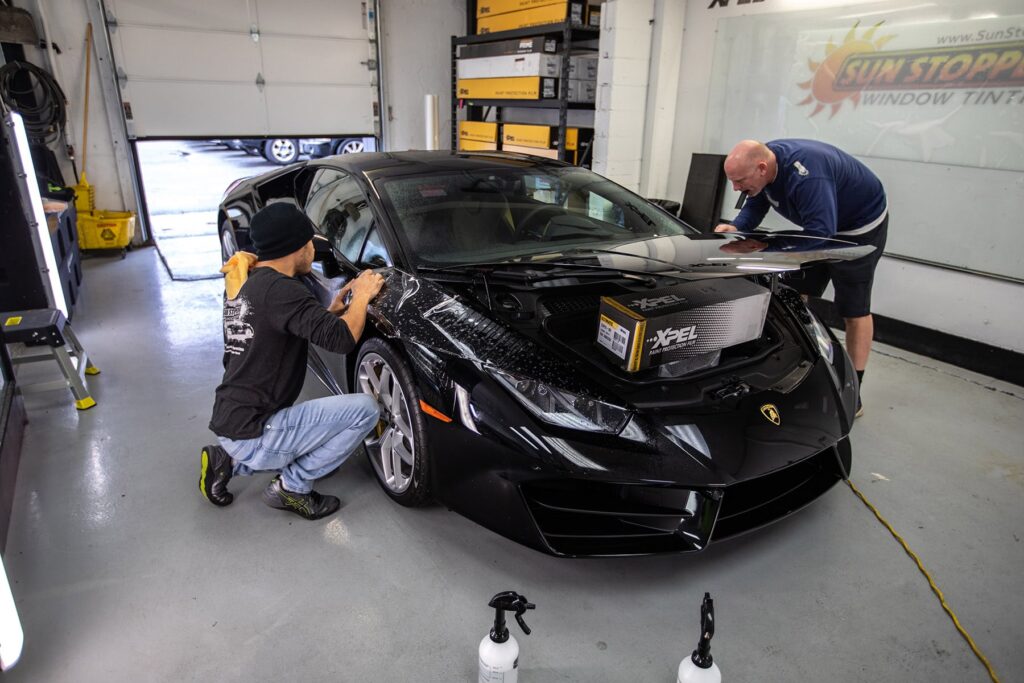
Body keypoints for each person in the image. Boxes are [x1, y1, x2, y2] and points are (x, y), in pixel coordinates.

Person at [199, 202, 385, 519]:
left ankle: (228, 459)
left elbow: (278, 330)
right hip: (256, 429)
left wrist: (330, 313)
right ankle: (291, 487)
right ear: (297, 248)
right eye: (310, 242)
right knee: (365, 411)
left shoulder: (252, 282)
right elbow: (342, 340)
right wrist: (363, 296)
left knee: (313, 429)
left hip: (234, 419)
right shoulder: (285, 291)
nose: (313, 249)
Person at [714, 139, 888, 417]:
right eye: (732, 182)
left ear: (761, 168)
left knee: (853, 310)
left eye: (740, 181)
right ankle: (801, 365)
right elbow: (754, 206)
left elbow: (821, 233)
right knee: (793, 293)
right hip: (819, 226)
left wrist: (771, 252)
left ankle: (853, 390)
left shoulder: (808, 176)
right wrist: (735, 227)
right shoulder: (761, 166)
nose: (736, 188)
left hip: (858, 230)